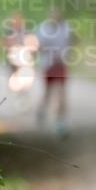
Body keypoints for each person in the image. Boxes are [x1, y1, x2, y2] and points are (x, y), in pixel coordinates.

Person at [34, 8, 74, 136]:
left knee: (61, 93)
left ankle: (60, 122)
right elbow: (38, 46)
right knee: (48, 92)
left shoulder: (66, 27)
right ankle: (41, 112)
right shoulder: (43, 29)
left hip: (61, 64)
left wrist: (67, 53)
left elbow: (72, 41)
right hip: (48, 65)